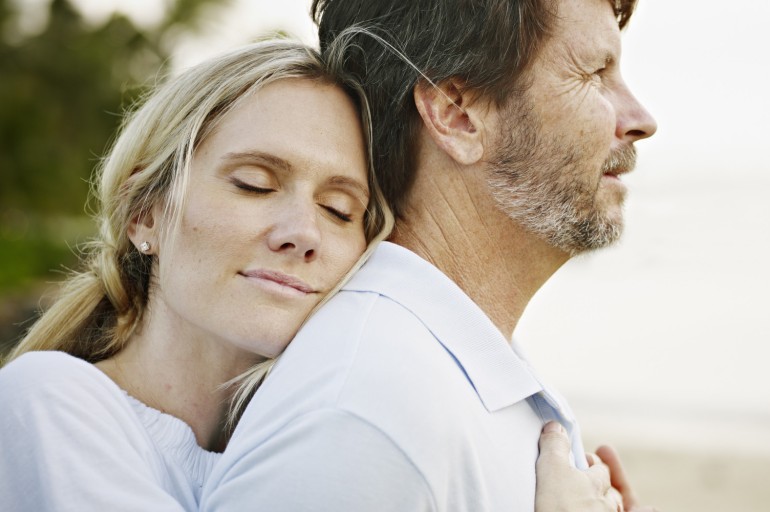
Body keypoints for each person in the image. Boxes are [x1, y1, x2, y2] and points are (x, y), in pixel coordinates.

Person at [0, 38, 627, 512]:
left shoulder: (296, 438)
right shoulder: (51, 403)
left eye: (339, 209)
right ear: (145, 214)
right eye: (254, 184)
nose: (302, 232)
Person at [201, 0, 658, 510]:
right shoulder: (362, 415)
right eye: (595, 73)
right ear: (456, 115)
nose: (641, 120)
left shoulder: (438, 371)